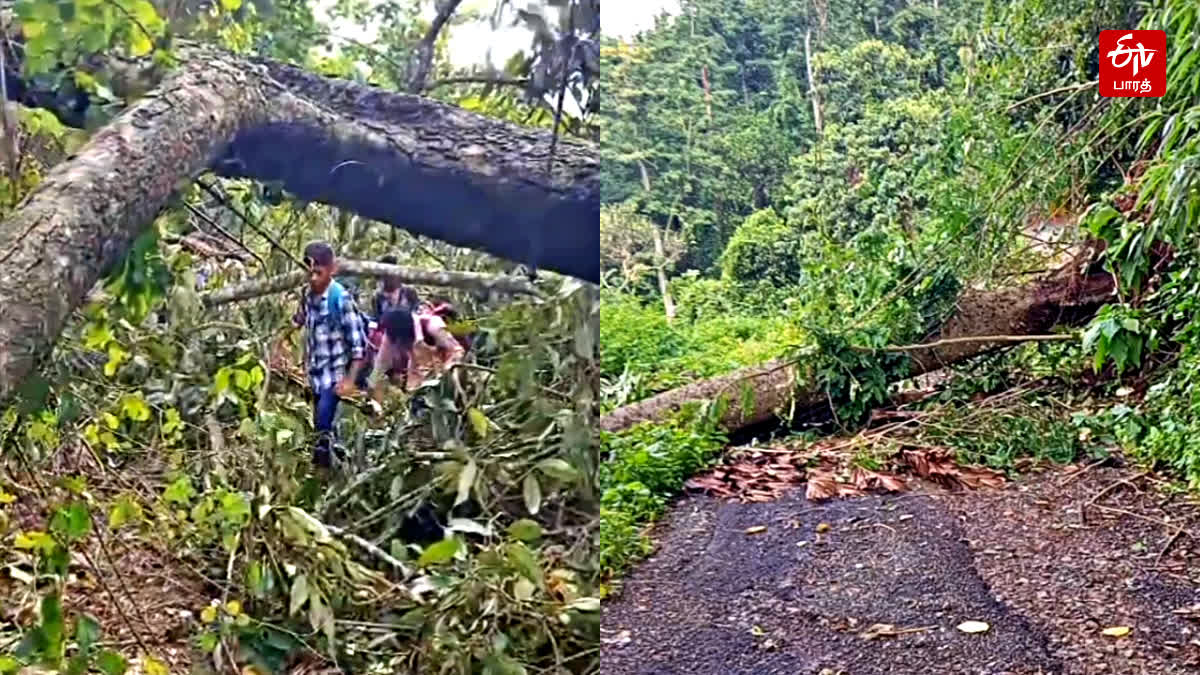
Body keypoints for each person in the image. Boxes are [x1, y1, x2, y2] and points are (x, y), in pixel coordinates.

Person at [293, 241, 368, 468]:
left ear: (332, 269)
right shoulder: (307, 295)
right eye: (309, 273)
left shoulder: (341, 299)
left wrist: (349, 380)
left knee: (322, 431)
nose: (313, 278)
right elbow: (301, 321)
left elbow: (359, 346)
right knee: (322, 426)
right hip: (315, 375)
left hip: (334, 377)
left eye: (318, 273)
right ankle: (333, 467)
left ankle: (324, 474)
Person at [368, 304, 466, 403]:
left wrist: (446, 372)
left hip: (445, 371)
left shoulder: (432, 325)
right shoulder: (392, 334)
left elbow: (456, 351)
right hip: (419, 373)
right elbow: (381, 363)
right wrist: (371, 387)